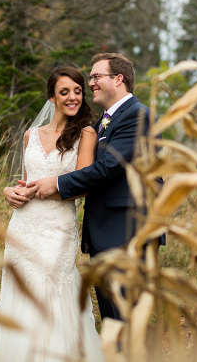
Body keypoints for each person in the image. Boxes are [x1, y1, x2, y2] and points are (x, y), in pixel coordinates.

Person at [9, 52, 162, 321]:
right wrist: (11, 190)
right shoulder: (105, 121)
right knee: (113, 318)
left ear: (118, 79)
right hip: (106, 232)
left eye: (95, 77)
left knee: (125, 317)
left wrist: (56, 183)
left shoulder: (137, 116)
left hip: (128, 232)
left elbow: (109, 168)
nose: (91, 83)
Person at [0, 66, 104, 362]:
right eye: (64, 92)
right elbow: (25, 181)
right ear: (51, 97)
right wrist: (9, 192)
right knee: (22, 294)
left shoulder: (86, 133)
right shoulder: (30, 135)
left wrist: (44, 189)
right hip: (23, 227)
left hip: (57, 228)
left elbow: (83, 185)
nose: (73, 97)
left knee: (51, 294)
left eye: (78, 91)